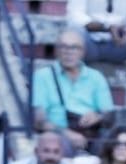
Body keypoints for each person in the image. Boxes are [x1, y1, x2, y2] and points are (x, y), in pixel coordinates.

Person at [32, 28, 115, 156]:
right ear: (56, 51)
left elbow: (110, 116)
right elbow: (39, 121)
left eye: (74, 47)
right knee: (57, 145)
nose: (68, 52)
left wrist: (97, 116)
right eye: (63, 47)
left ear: (83, 52)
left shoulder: (96, 77)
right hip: (59, 133)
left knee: (115, 145)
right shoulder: (42, 76)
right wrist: (66, 133)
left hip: (91, 133)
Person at [67, 0, 126, 64]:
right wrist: (108, 27)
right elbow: (75, 16)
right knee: (74, 33)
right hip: (89, 44)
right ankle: (71, 79)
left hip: (121, 46)